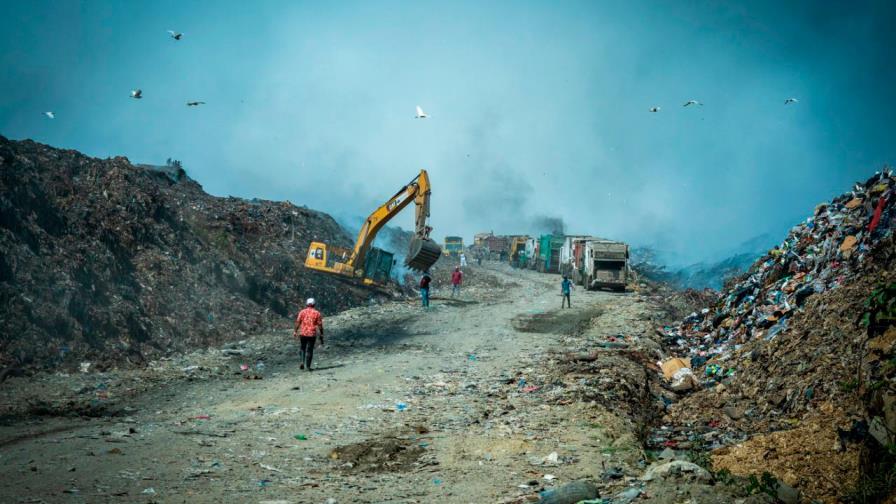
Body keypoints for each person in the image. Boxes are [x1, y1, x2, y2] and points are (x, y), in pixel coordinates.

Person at [294, 298, 324, 371]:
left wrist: (295, 331)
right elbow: (320, 325)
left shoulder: (302, 312)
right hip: (312, 334)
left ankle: (302, 361)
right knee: (310, 350)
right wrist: (321, 333)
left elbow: (298, 322)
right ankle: (308, 366)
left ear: (307, 304)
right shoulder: (317, 313)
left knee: (302, 348)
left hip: (303, 333)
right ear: (314, 304)